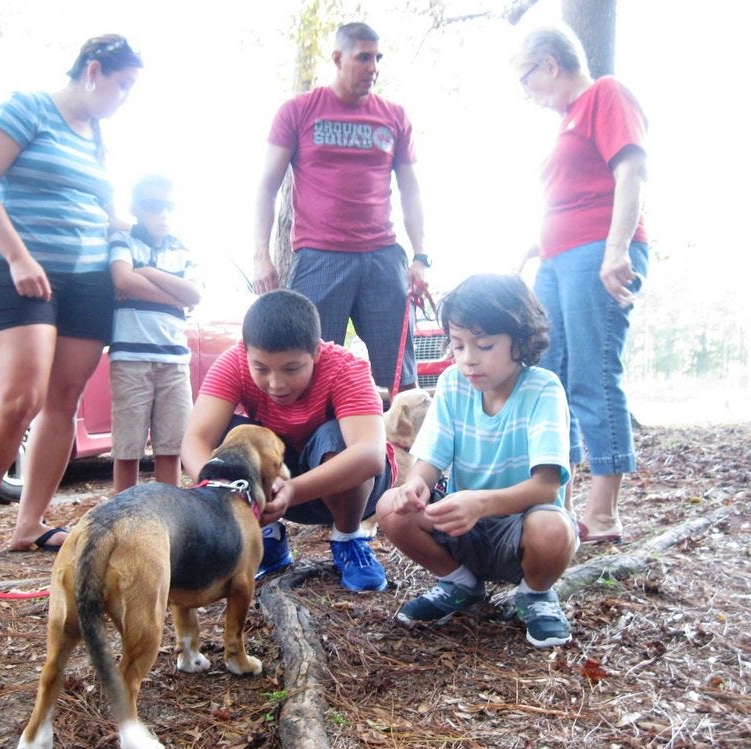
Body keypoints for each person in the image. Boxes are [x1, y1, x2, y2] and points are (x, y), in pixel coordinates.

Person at [0, 35, 143, 559]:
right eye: (123, 84)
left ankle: (29, 523)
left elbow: (99, 205)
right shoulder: (27, 108)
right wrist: (18, 256)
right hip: (15, 270)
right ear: (94, 70)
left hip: (86, 280)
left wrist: (129, 233)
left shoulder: (97, 137)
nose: (125, 96)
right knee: (19, 396)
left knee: (63, 401)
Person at [376, 274, 577, 647]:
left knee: (553, 529)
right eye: (458, 345)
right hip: (461, 525)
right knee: (391, 506)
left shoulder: (543, 389)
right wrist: (417, 483)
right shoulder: (453, 384)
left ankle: (535, 595)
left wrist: (481, 503)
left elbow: (547, 486)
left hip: (521, 529)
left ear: (521, 341)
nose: (468, 359)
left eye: (484, 345)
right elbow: (430, 459)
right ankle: (460, 584)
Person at [514, 25, 649, 544]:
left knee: (593, 373)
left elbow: (631, 170)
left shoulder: (604, 94)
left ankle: (606, 510)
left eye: (527, 80)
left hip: (597, 253)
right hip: (560, 257)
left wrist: (615, 251)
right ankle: (557, 501)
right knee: (551, 378)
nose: (529, 94)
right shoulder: (569, 120)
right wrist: (540, 241)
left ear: (549, 64)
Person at [252, 21, 429, 395]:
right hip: (320, 256)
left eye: (378, 58)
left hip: (383, 257)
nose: (373, 67)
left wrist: (421, 255)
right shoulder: (299, 111)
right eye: (363, 57)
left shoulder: (394, 117)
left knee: (399, 378)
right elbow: (266, 186)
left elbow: (411, 189)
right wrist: (261, 256)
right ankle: (315, 453)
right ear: (337, 58)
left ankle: (400, 452)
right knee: (305, 367)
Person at [180, 289, 392, 592]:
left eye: (291, 369)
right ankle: (268, 537)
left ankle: (348, 538)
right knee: (231, 434)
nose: (276, 384)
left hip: (351, 490)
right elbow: (195, 439)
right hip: (275, 489)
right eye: (261, 369)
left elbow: (370, 455)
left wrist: (292, 490)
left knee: (332, 437)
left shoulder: (346, 368)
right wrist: (219, 488)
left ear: (316, 352)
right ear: (246, 352)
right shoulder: (234, 362)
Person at [108, 175, 201, 492]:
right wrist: (176, 297)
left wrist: (146, 272)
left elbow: (195, 295)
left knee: (172, 445)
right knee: (128, 445)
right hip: (131, 360)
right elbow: (122, 279)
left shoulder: (182, 249)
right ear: (135, 208)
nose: (162, 214)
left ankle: (166, 515)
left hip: (174, 361)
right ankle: (123, 517)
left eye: (169, 207)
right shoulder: (123, 241)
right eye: (153, 206)